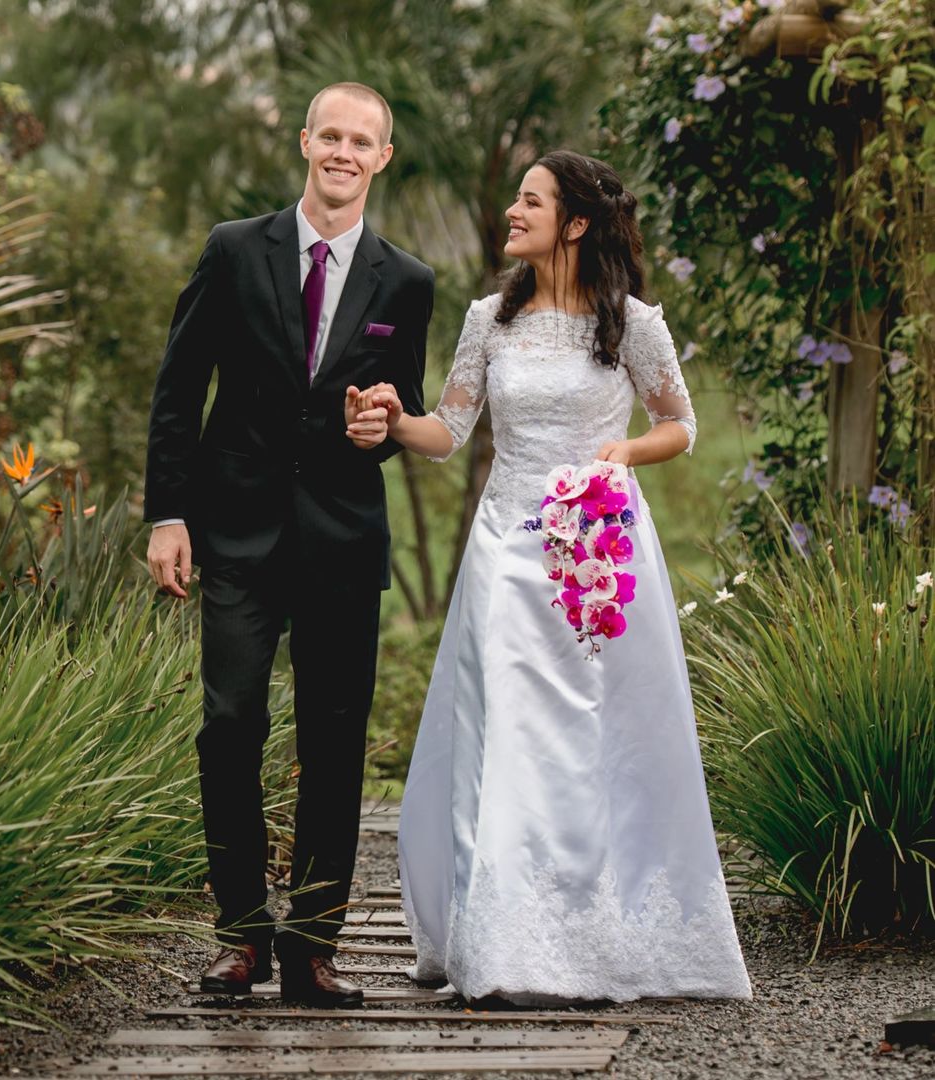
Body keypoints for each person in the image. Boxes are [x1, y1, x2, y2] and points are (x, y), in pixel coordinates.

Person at [375, 149, 752, 1005]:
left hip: (596, 552)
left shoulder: (632, 324)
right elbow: (450, 430)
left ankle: (590, 929)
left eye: (529, 200)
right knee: (505, 729)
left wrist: (621, 452)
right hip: (505, 547)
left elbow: (679, 424)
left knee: (594, 738)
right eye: (515, 198)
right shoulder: (488, 319)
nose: (512, 211)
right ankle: (503, 944)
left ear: (575, 223)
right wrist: (397, 420)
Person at [143, 81, 434, 1007]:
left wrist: (378, 429)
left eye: (364, 141)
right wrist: (167, 515)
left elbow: (401, 411)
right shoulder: (235, 250)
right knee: (229, 725)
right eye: (331, 136)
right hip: (233, 530)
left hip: (341, 538)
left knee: (336, 739)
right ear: (306, 141)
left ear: (382, 159)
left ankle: (313, 943)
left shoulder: (408, 281)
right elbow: (179, 389)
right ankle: (239, 936)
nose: (344, 152)